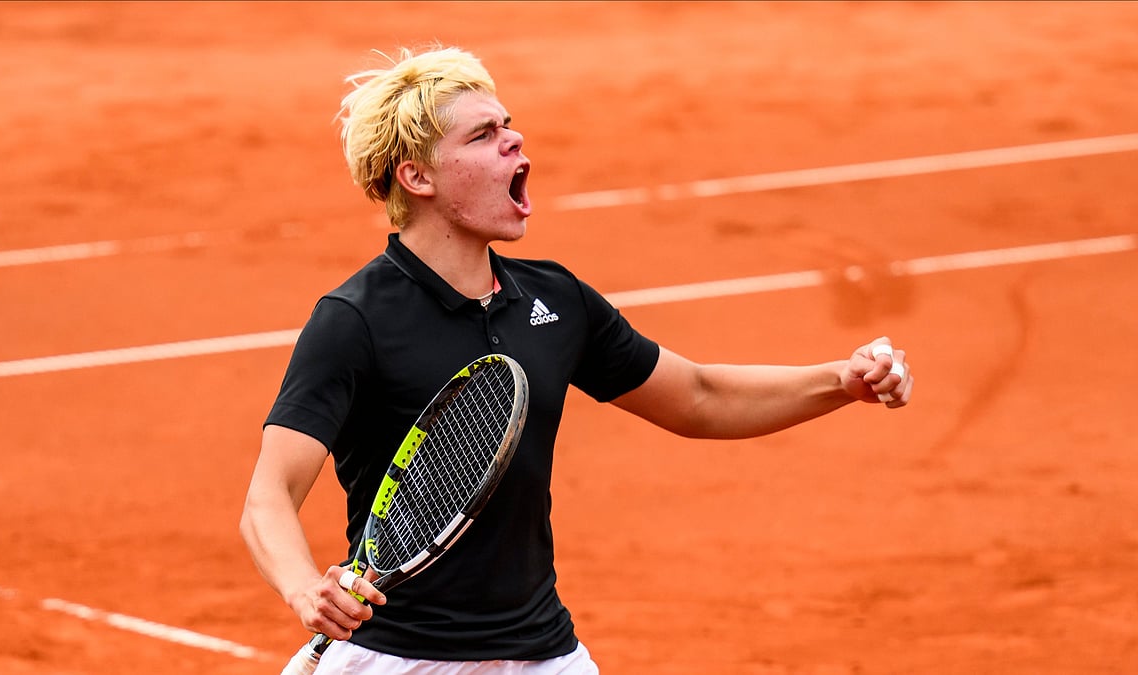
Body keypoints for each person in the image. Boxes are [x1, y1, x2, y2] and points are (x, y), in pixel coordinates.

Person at [239, 45, 914, 674]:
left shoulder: (555, 300)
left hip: (543, 654)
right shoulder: (355, 319)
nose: (514, 139)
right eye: (481, 135)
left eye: (508, 124)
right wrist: (304, 588)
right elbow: (269, 496)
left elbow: (699, 395)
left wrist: (840, 380)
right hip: (403, 657)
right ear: (416, 176)